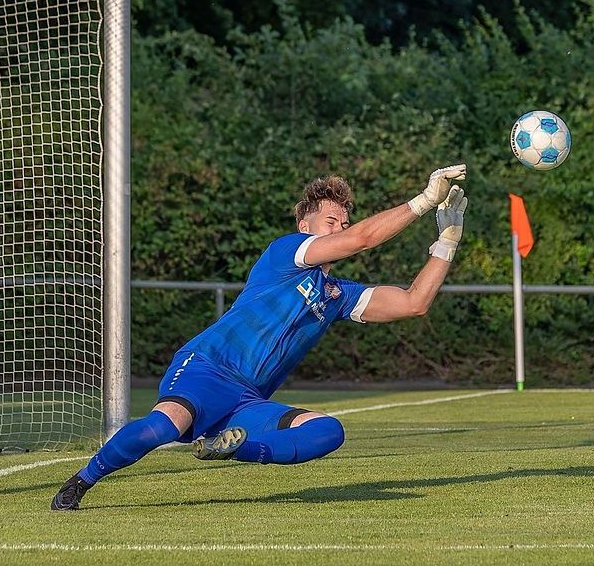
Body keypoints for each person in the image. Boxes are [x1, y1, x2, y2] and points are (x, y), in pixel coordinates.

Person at [51, 164, 468, 510]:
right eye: (330, 222)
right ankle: (82, 482)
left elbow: (414, 302)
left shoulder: (340, 295)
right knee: (164, 427)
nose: (340, 228)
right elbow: (361, 240)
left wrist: (446, 243)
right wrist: (423, 201)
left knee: (328, 431)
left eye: (343, 222)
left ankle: (230, 447)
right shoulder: (286, 252)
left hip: (248, 401)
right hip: (207, 369)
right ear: (305, 225)